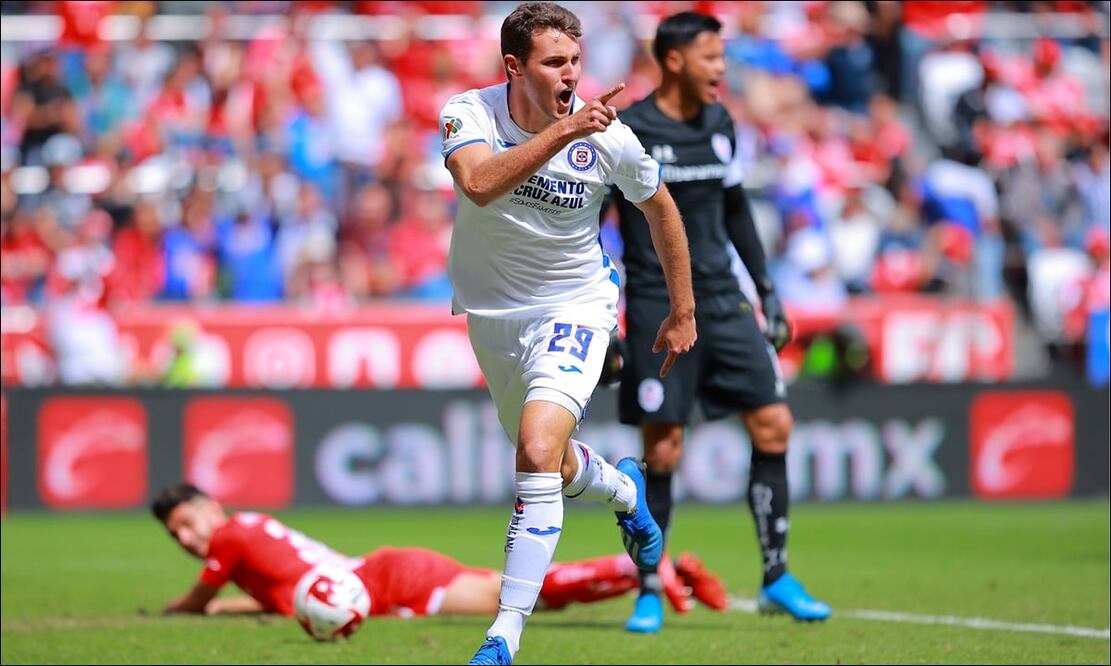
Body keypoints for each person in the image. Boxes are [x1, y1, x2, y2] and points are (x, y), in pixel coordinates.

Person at [437, 3, 697, 663]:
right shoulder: (468, 113)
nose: (569, 77)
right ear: (514, 67)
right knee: (548, 460)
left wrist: (681, 309)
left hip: (575, 308)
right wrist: (564, 132)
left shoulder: (607, 136)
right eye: (555, 63)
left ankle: (504, 634)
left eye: (575, 63)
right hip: (492, 318)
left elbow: (660, 208)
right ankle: (622, 489)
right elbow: (477, 184)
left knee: (535, 449)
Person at [608, 12, 831, 634]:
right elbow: (596, 224)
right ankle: (650, 586)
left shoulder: (721, 122)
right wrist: (604, 309)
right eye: (711, 58)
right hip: (656, 303)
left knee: (774, 423)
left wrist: (767, 292)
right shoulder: (631, 131)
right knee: (664, 446)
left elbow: (735, 211)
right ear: (675, 60)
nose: (721, 70)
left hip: (724, 300)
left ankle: (776, 576)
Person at [151, 483, 725, 621]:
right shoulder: (248, 528)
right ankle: (645, 571)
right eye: (175, 535)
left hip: (392, 583)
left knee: (523, 597)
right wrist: (233, 609)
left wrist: (186, 610)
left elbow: (196, 598)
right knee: (523, 594)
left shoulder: (227, 540)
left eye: (185, 522)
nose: (186, 538)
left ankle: (644, 565)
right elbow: (292, 594)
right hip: (384, 574)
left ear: (209, 506)